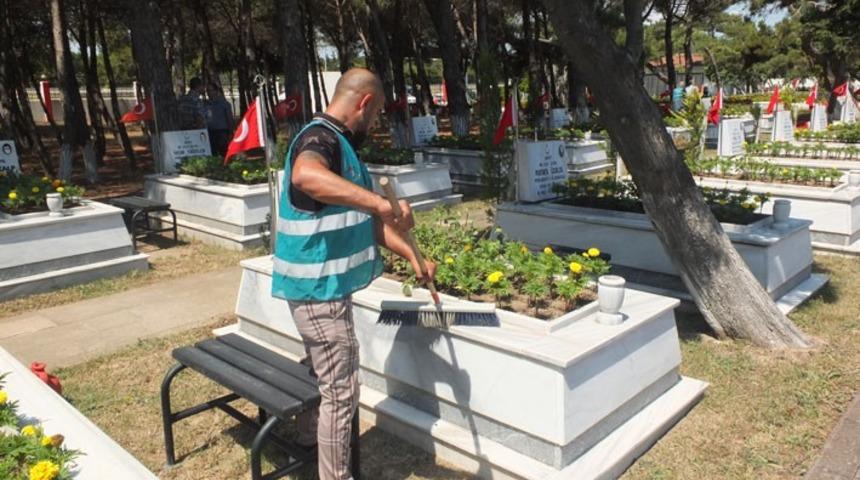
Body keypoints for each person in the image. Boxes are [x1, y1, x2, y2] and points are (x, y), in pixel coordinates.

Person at [271, 68, 436, 480]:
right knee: (341, 389)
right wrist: (380, 203)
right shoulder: (319, 139)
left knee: (324, 368)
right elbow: (306, 176)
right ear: (363, 103)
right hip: (318, 290)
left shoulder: (340, 144)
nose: (377, 122)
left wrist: (413, 257)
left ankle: (310, 434)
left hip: (326, 287)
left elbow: (366, 221)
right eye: (378, 113)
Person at [204, 82, 234, 157]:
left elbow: (229, 119)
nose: (209, 93)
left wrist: (230, 133)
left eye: (211, 90)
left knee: (223, 152)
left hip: (222, 132)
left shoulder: (224, 104)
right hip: (210, 132)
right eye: (208, 91)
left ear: (216, 91)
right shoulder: (205, 104)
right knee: (212, 153)